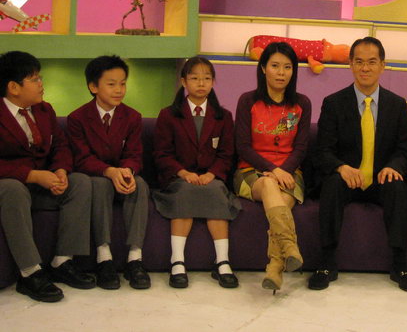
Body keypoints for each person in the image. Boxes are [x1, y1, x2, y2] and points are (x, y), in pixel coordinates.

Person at [309, 37, 407, 292]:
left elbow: (403, 149)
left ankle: (400, 265)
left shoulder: (397, 104)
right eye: (359, 62)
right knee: (332, 184)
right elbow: (323, 150)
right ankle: (326, 262)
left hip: (380, 178)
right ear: (350, 65)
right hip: (348, 177)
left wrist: (393, 166)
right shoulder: (333, 103)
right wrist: (341, 167)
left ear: (382, 65)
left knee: (398, 186)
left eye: (371, 62)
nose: (365, 68)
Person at [0, 51, 94, 302]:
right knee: (12, 188)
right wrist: (31, 175)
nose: (42, 84)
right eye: (35, 79)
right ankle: (30, 273)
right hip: (11, 188)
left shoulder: (44, 110)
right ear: (13, 87)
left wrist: (61, 170)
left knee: (81, 182)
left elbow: (61, 146)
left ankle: (62, 261)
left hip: (43, 184)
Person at [152, 56, 240, 289]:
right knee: (185, 192)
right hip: (179, 178)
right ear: (183, 82)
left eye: (207, 78)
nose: (201, 83)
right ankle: (177, 261)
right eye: (194, 78)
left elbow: (226, 154)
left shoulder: (223, 116)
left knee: (215, 191)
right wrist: (182, 173)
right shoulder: (168, 115)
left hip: (211, 177)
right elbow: (162, 154)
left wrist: (212, 173)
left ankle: (222, 262)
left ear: (213, 82)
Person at [67, 55, 151, 290]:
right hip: (97, 178)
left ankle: (135, 259)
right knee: (100, 184)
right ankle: (104, 258)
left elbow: (134, 153)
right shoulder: (77, 118)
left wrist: (127, 171)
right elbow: (81, 158)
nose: (119, 90)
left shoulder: (132, 117)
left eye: (123, 83)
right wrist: (108, 171)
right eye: (111, 84)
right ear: (93, 86)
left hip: (122, 174)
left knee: (140, 184)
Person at [234, 42, 311, 293]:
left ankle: (275, 268)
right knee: (269, 183)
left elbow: (301, 148)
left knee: (279, 195)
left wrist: (284, 170)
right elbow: (243, 146)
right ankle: (289, 246)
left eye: (287, 67)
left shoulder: (301, 103)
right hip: (250, 171)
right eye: (275, 66)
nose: (281, 72)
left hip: (290, 172)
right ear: (263, 68)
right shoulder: (248, 101)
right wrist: (272, 170)